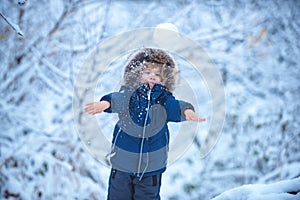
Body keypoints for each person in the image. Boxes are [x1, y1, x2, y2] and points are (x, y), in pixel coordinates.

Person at [84, 48, 205, 200]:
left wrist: (187, 111)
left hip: (151, 167)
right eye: (147, 73)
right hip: (122, 164)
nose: (152, 77)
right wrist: (105, 103)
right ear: (137, 74)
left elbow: (175, 107)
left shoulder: (164, 100)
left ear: (165, 80)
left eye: (157, 75)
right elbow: (118, 100)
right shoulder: (130, 96)